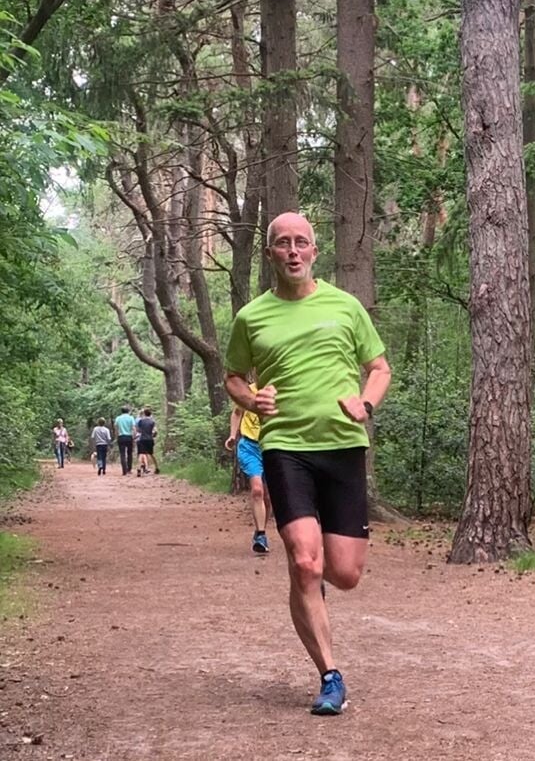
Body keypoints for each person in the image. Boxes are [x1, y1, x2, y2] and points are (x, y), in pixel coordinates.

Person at [225, 211, 391, 716]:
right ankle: (330, 675)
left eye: (301, 243)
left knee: (344, 575)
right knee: (303, 560)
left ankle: (313, 584)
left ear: (314, 252)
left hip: (342, 447)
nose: (293, 251)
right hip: (286, 447)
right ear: (271, 253)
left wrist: (365, 405)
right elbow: (233, 377)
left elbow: (379, 367)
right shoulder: (252, 317)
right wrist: (253, 400)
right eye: (282, 243)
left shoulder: (344, 307)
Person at [225, 383, 274, 554]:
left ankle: (261, 530)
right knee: (257, 490)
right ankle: (261, 535)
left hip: (271, 445)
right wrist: (232, 435)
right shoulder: (247, 390)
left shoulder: (279, 389)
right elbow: (237, 412)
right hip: (249, 446)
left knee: (267, 497)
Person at [113, 406, 137, 475]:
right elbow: (134, 428)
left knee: (122, 454)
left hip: (121, 437)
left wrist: (116, 436)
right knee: (129, 453)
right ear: (128, 411)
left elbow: (116, 428)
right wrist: (134, 437)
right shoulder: (131, 418)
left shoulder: (118, 418)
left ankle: (124, 470)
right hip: (129, 437)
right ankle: (129, 469)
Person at [134, 407, 159, 476]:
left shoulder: (141, 421)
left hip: (142, 439)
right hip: (150, 439)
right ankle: (157, 468)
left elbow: (138, 430)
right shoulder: (152, 422)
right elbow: (155, 431)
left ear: (144, 414)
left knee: (141, 454)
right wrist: (153, 435)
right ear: (150, 414)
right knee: (151, 454)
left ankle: (138, 469)